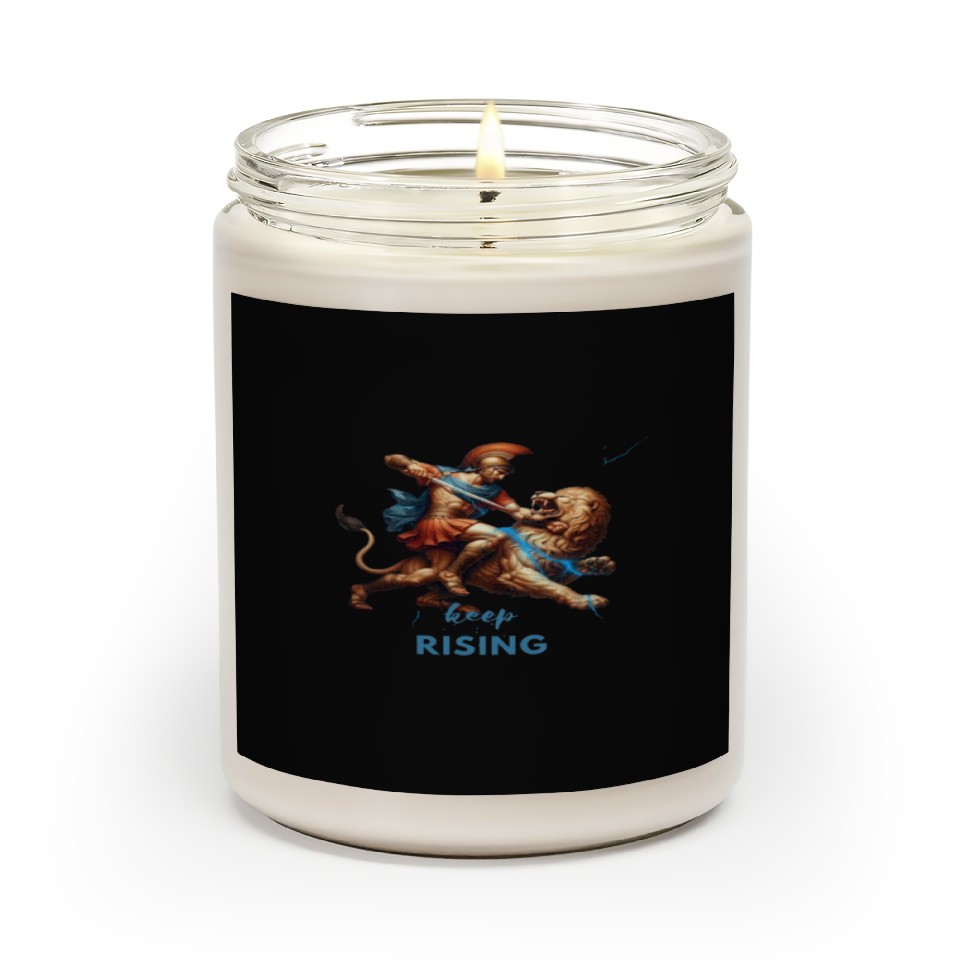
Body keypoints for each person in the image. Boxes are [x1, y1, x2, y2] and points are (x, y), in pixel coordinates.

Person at [383, 443, 533, 596]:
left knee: (434, 573)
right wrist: (410, 465)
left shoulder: (494, 492)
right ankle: (453, 572)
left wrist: (543, 516)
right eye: (499, 472)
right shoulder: (444, 475)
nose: (501, 478)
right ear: (485, 467)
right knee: (498, 535)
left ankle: (370, 588)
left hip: (457, 528)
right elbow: (391, 458)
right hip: (436, 522)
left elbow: (517, 511)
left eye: (504, 475)